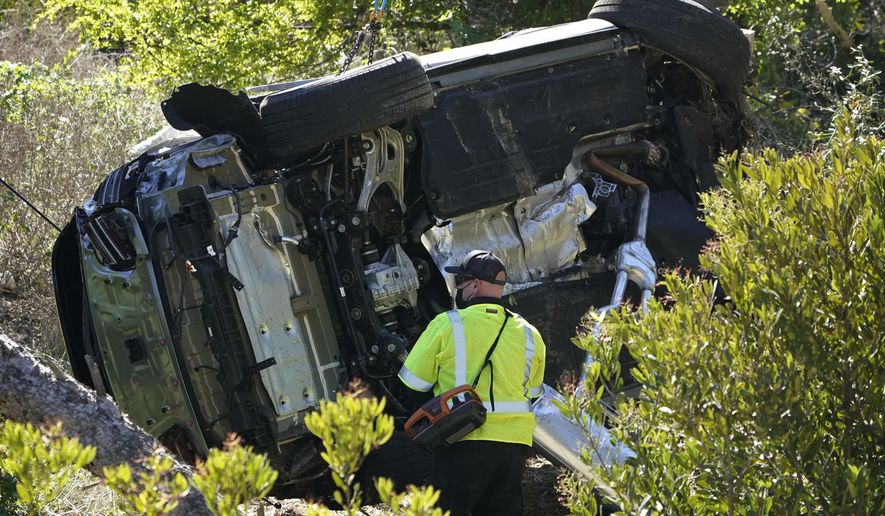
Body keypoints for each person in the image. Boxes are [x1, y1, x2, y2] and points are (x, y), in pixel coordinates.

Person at [398, 250, 546, 516]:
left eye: (460, 283)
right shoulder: (529, 333)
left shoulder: (447, 324)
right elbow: (533, 394)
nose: (458, 289)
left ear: (475, 285)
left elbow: (413, 384)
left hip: (461, 440)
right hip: (513, 451)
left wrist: (435, 424)